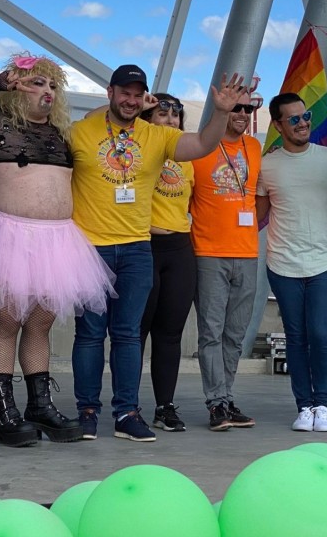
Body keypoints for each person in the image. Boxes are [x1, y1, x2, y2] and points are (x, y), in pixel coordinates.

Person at [70, 64, 245, 441]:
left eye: (138, 94)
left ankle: (126, 413)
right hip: (89, 247)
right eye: (125, 93)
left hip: (136, 247)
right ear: (110, 92)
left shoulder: (156, 135)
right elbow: (85, 124)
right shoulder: (82, 131)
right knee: (89, 334)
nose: (131, 100)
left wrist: (223, 112)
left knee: (128, 334)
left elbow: (201, 145)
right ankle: (86, 410)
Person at [0, 54, 114, 446]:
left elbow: (113, 114)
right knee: (5, 322)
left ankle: (40, 405)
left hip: (58, 241)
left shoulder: (64, 132)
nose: (48, 91)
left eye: (52, 85)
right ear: (17, 87)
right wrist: (0, 80)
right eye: (37, 83)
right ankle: (4, 412)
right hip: (6, 236)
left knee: (40, 323)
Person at [256, 92, 327, 432]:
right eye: (294, 119)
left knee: (320, 334)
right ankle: (304, 406)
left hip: (324, 262)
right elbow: (257, 216)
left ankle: (323, 405)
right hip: (282, 264)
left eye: (306, 117)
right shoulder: (266, 165)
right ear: (278, 124)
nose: (303, 124)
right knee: (295, 336)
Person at [190, 91, 260, 431]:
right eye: (236, 107)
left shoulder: (255, 148)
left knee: (235, 334)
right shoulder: (200, 149)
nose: (243, 113)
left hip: (247, 253)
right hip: (208, 253)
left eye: (248, 108)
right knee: (211, 333)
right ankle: (215, 401)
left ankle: (227, 397)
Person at [138, 94, 194, 432]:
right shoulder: (135, 153)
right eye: (163, 112)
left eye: (177, 114)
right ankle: (127, 405)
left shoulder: (188, 158)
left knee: (170, 334)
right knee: (136, 332)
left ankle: (165, 406)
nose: (171, 118)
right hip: (143, 245)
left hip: (179, 247)